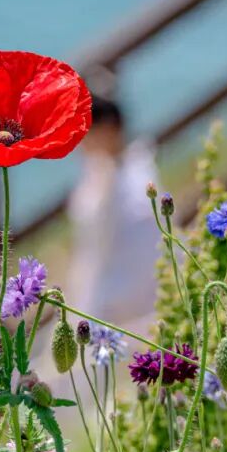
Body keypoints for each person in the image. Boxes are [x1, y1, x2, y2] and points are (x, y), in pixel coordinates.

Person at [67, 91, 161, 328]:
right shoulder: (100, 171)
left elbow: (145, 248)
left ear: (108, 128)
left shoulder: (138, 181)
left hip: (127, 298)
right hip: (105, 287)